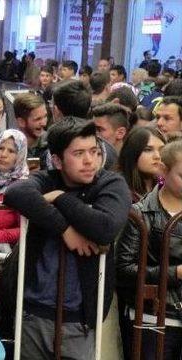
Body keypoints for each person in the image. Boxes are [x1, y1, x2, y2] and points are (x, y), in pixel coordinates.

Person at [3, 119, 131, 359]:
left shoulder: (109, 183)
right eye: (79, 153)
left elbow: (105, 227)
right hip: (33, 311)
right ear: (58, 160)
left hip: (78, 318)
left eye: (94, 151)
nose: (89, 161)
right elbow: (15, 193)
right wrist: (64, 229)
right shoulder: (46, 180)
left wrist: (61, 198)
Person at [117, 139, 182, 359]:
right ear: (164, 170)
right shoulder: (141, 212)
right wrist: (176, 273)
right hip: (152, 316)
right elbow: (125, 269)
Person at [118, 127, 166, 203]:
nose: (157, 156)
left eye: (162, 150)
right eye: (148, 150)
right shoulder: (118, 189)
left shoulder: (168, 186)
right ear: (132, 153)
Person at [14, 93, 48, 164]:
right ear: (21, 122)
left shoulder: (51, 144)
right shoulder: (7, 147)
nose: (44, 123)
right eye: (38, 119)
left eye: (45, 116)